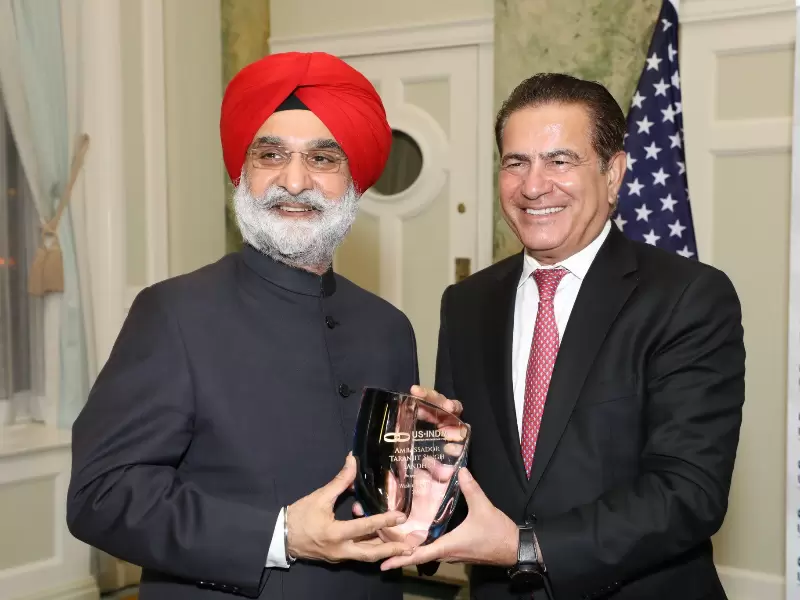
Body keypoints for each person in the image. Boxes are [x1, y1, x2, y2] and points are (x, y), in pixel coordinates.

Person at [66, 51, 430, 600]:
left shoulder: (389, 327)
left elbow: (393, 501)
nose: (294, 180)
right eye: (271, 154)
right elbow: (101, 495)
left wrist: (433, 469)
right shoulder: (173, 313)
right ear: (243, 173)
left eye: (322, 158)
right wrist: (279, 536)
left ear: (354, 181)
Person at [380, 73, 745, 599]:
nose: (533, 186)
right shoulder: (466, 303)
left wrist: (526, 548)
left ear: (613, 173)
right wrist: (423, 467)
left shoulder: (686, 297)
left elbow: (688, 492)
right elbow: (465, 493)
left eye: (559, 161)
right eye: (515, 163)